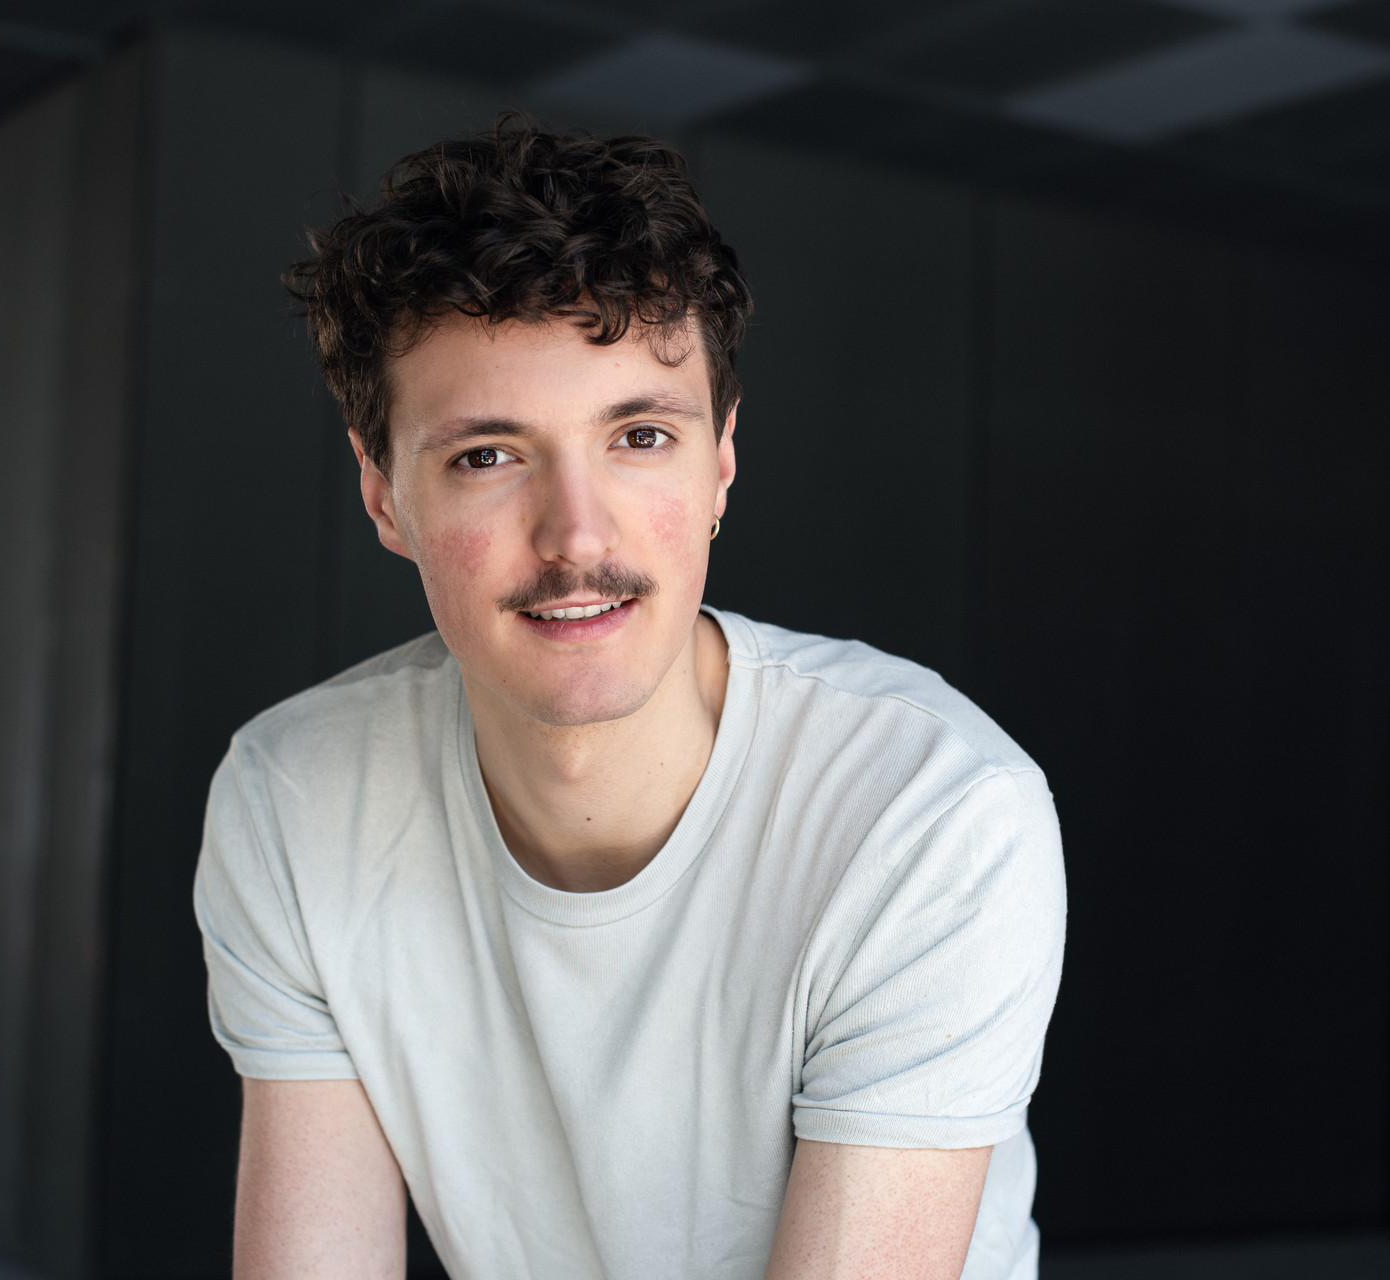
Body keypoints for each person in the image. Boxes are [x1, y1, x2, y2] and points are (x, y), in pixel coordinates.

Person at [195, 122, 1065, 1280]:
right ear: (384, 495)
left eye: (640, 436)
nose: (577, 535)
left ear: (721, 463)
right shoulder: (295, 797)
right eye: (487, 455)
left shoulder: (928, 813)